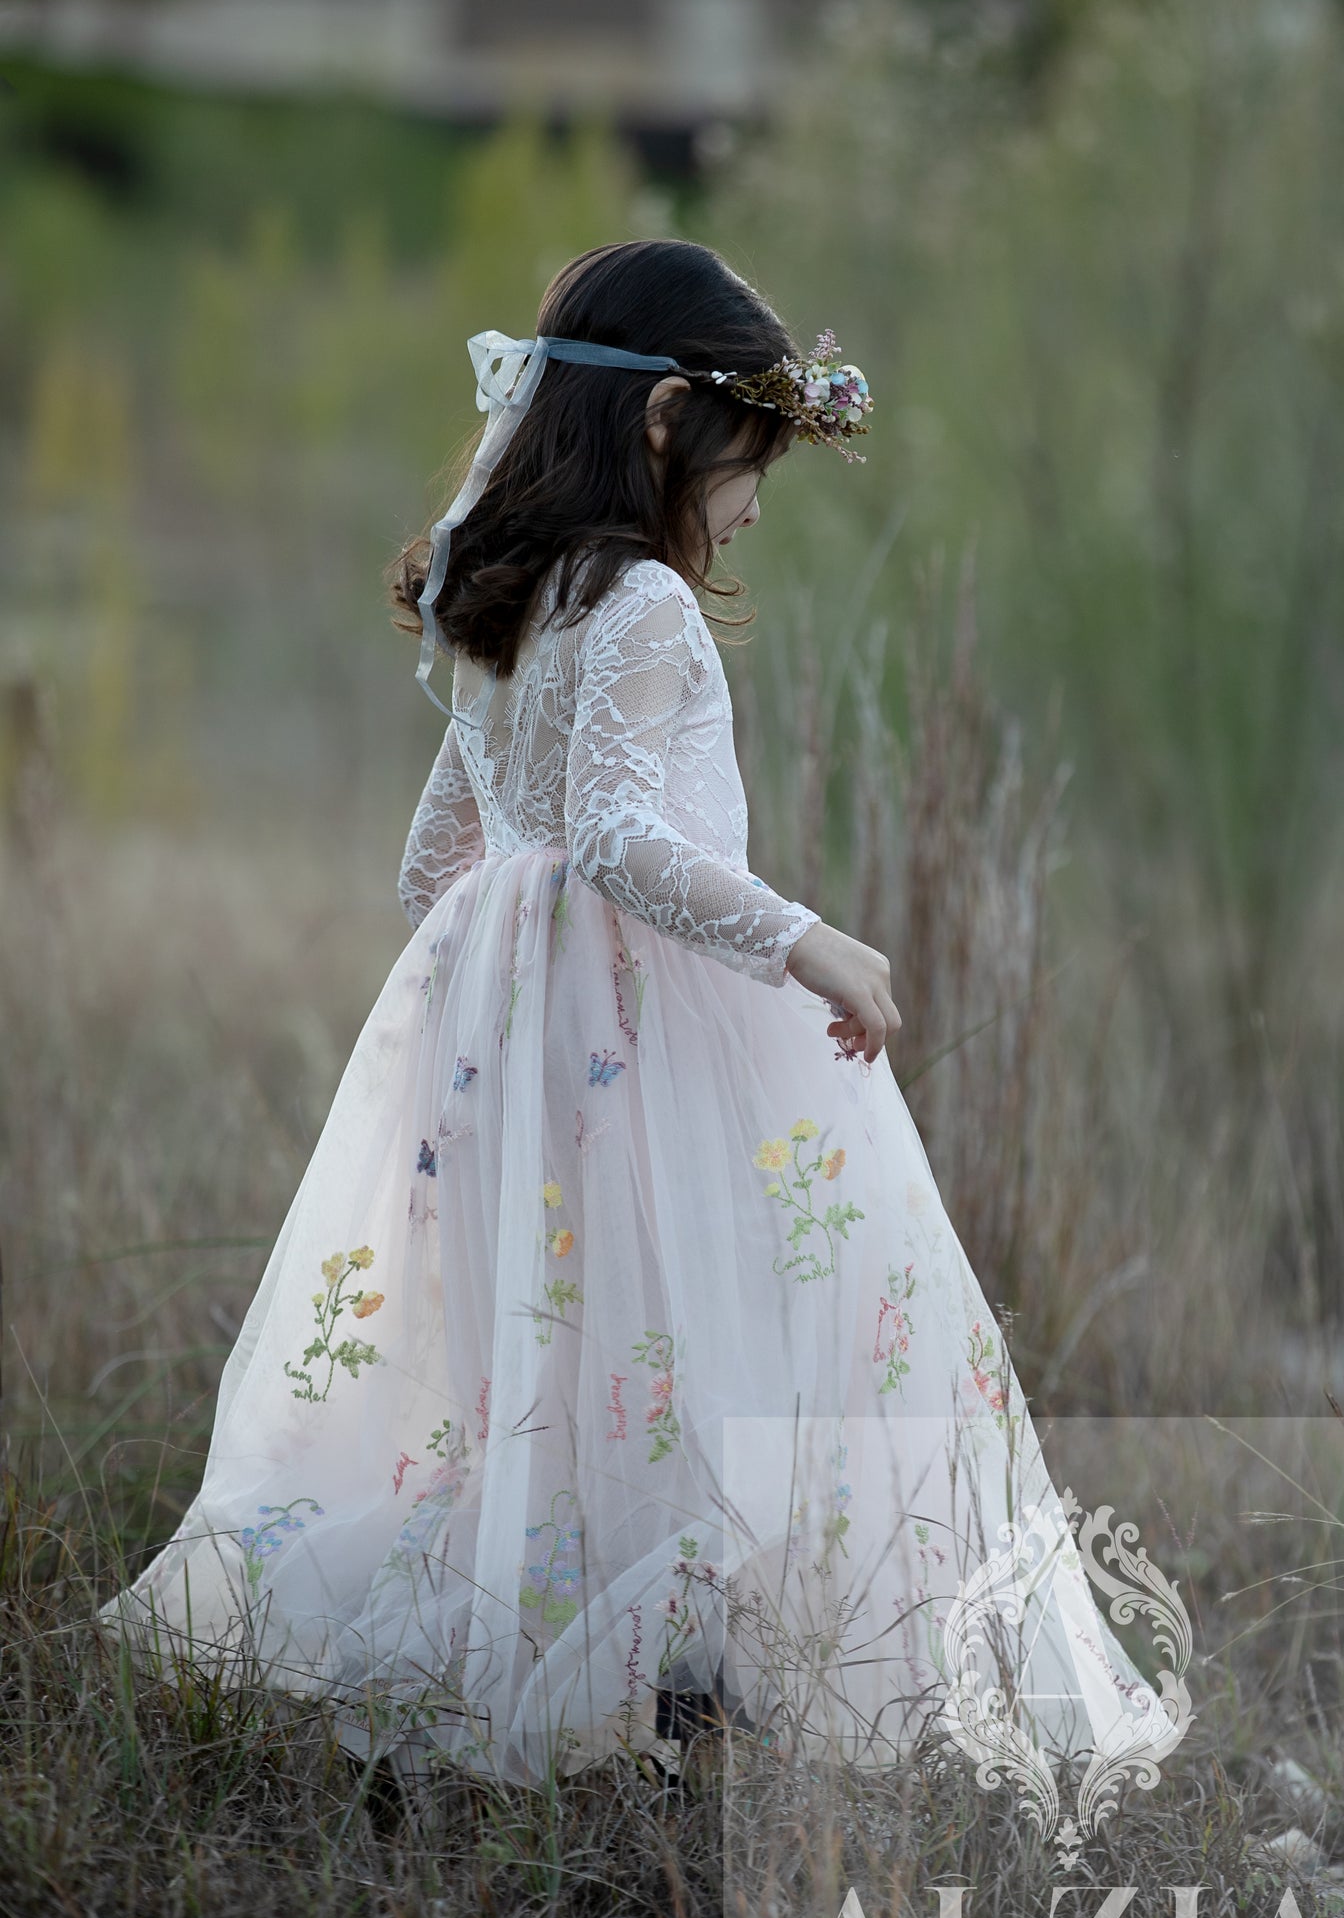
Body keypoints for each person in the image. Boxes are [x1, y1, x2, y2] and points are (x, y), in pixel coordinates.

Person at [99, 240, 1168, 1789]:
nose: (751, 508)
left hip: (517, 1042)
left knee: (565, 1341)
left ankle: (597, 1654)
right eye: (752, 468)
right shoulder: (646, 606)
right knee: (714, 1319)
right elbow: (613, 836)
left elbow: (436, 866)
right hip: (655, 1027)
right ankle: (686, 1677)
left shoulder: (505, 605)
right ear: (667, 423)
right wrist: (809, 943)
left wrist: (509, 986)